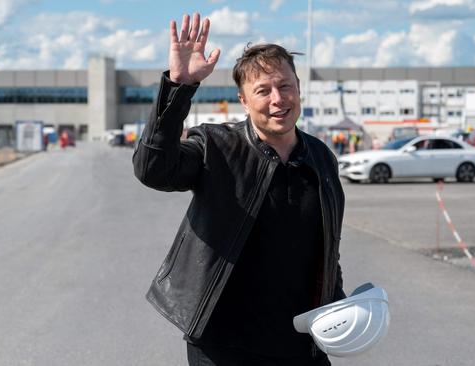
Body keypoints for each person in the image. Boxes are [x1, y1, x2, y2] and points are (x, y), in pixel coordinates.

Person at [132, 13, 346, 366]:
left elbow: (328, 246)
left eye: (285, 86)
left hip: (301, 342)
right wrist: (178, 87)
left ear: (298, 88)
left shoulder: (321, 158)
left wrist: (337, 304)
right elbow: (153, 169)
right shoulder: (215, 146)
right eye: (263, 90)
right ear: (244, 101)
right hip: (223, 344)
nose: (277, 98)